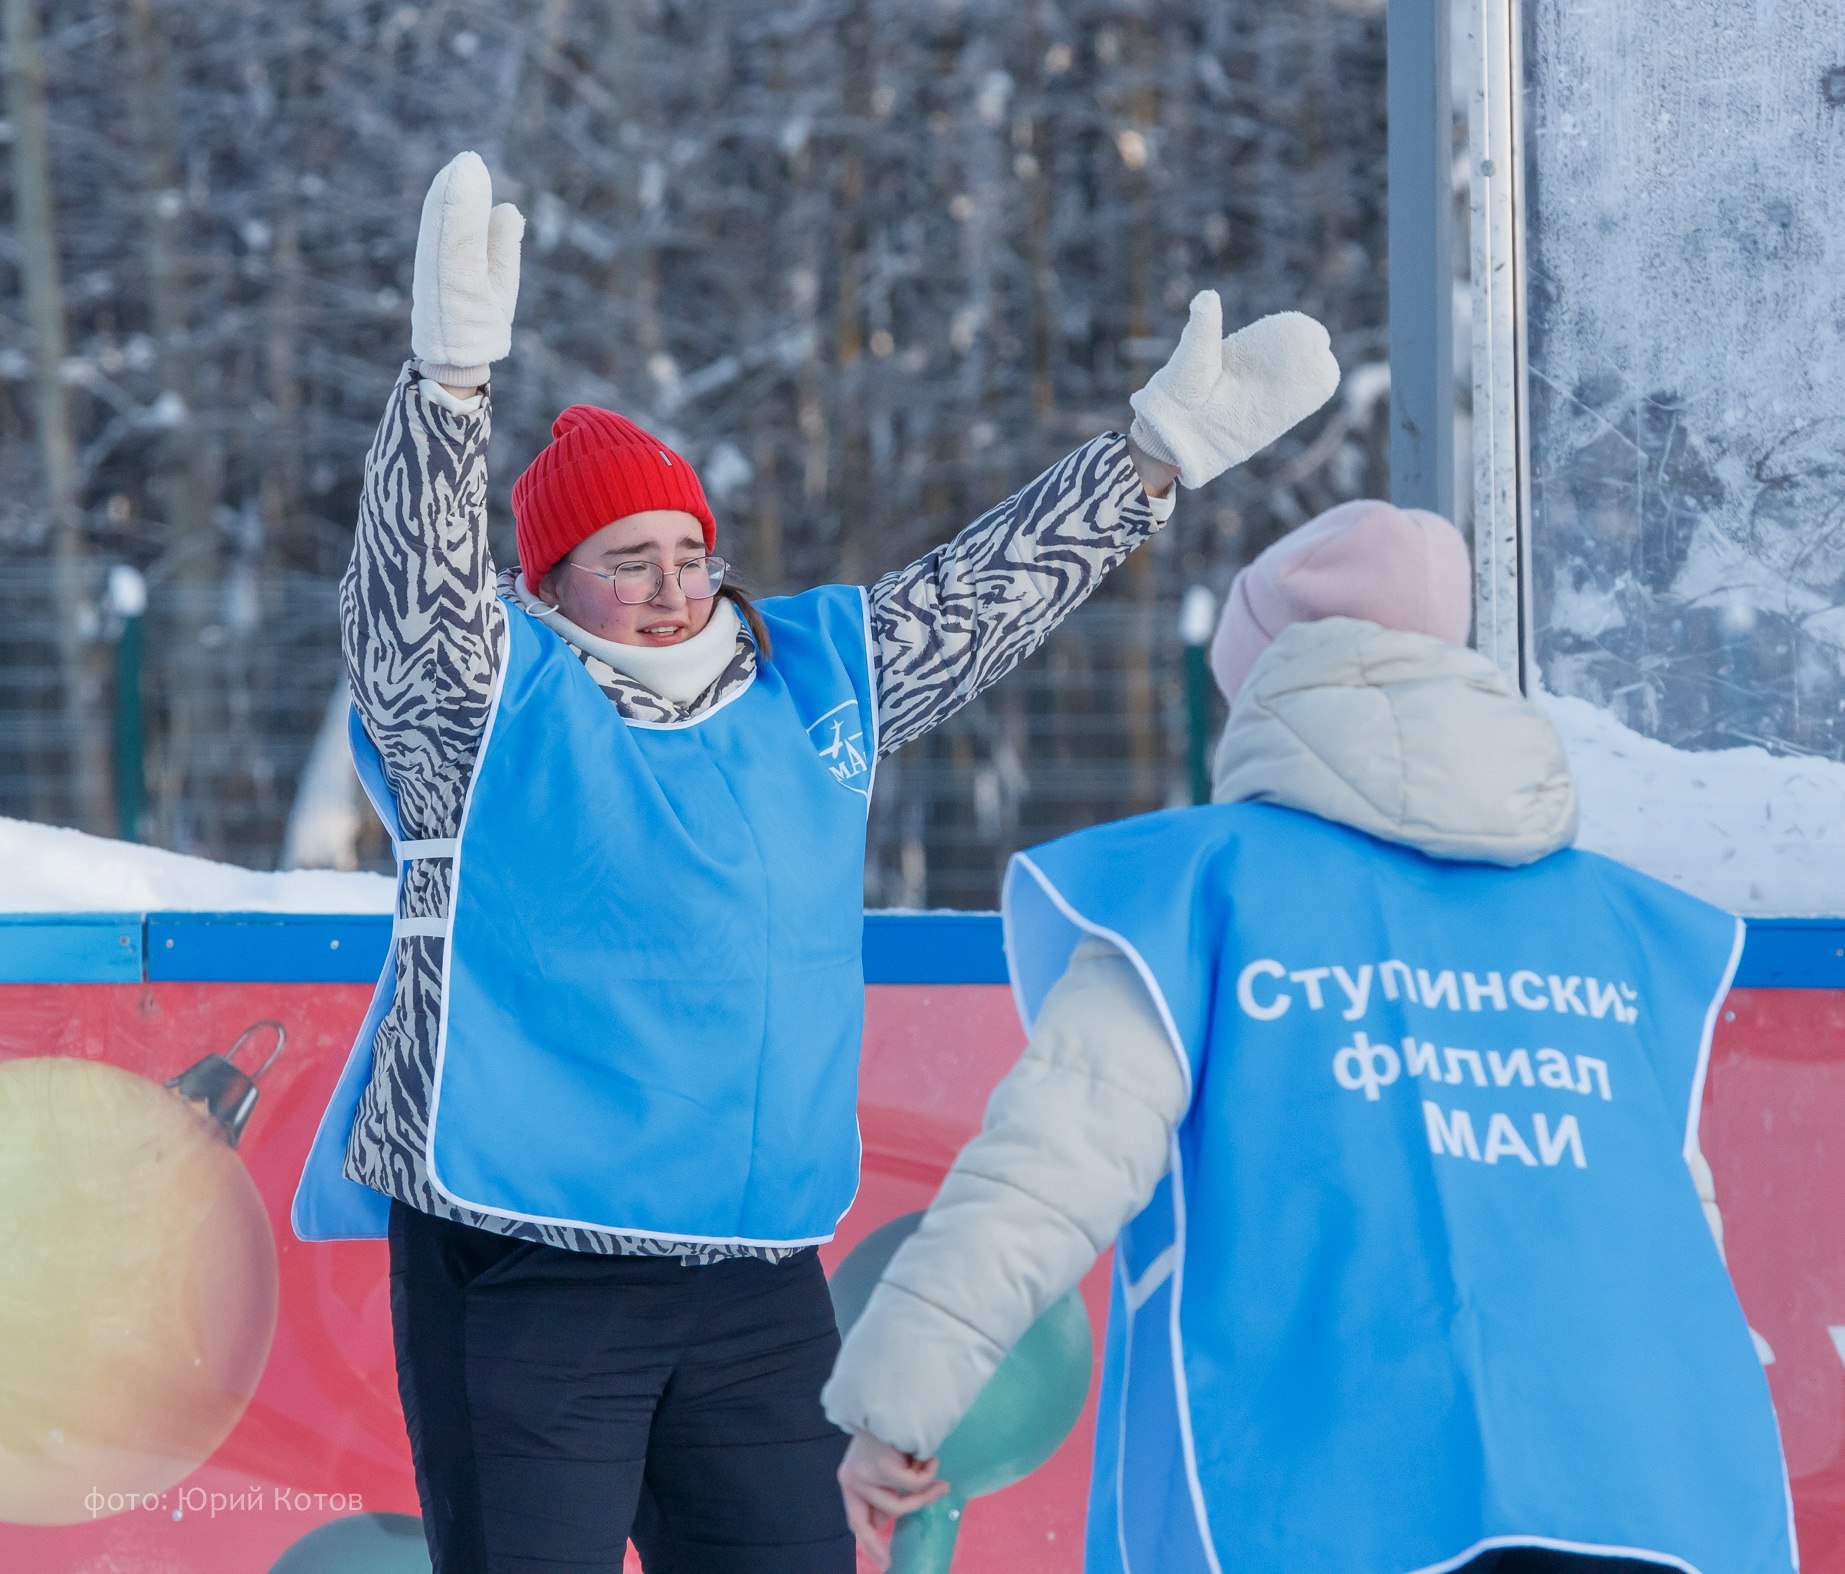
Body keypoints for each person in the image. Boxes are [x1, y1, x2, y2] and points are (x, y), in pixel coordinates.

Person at [288, 150, 1338, 1574]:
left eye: (688, 550)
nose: (671, 586)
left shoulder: (807, 679)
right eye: (625, 558)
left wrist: (1144, 464)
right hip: (530, 1262)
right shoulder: (486, 701)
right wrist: (448, 388)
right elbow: (410, 598)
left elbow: (977, 597)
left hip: (751, 1284)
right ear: (547, 587)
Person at [825, 502, 1797, 1573]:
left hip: (1325, 1487)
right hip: (1643, 1487)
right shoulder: (1597, 918)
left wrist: (898, 1404)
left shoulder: (1199, 891)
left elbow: (1041, 1174)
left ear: (1261, 681)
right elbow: (1671, 1219)